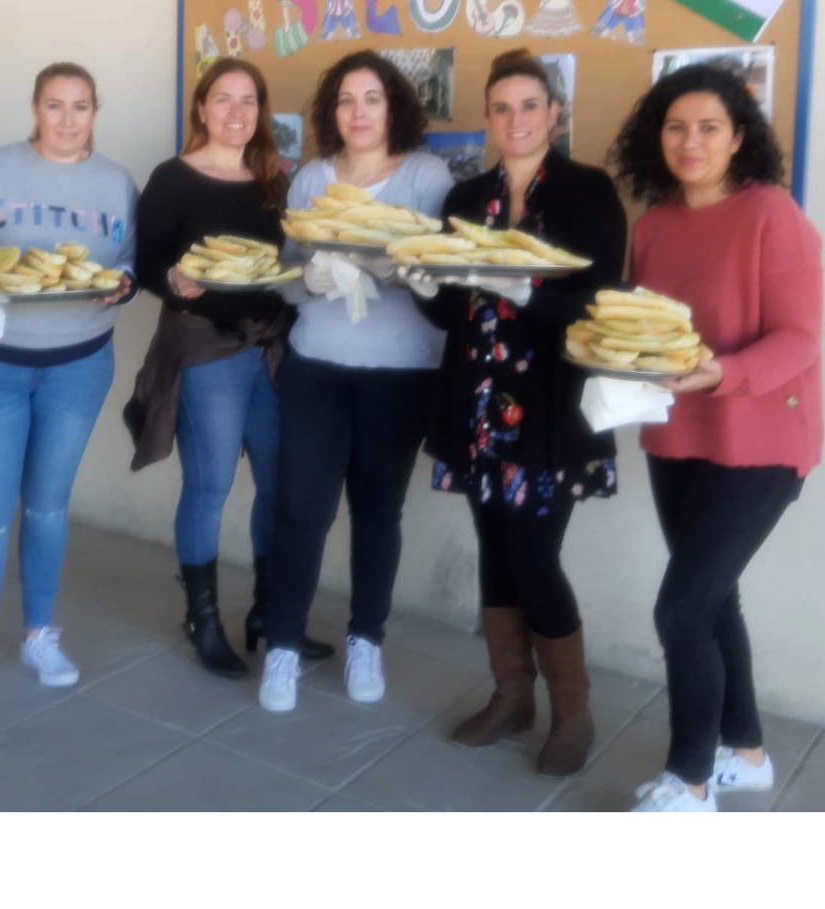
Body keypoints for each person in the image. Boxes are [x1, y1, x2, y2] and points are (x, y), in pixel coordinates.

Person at [611, 63, 822, 812]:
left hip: (763, 440)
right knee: (712, 599)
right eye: (675, 127)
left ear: (738, 138)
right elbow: (642, 329)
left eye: (708, 127)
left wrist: (722, 374)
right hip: (678, 437)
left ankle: (690, 781)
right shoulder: (654, 225)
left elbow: (801, 337)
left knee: (681, 609)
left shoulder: (771, 214)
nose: (690, 141)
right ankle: (748, 752)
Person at [414, 49, 627, 775]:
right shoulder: (465, 197)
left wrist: (525, 290)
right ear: (487, 117)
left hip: (549, 408)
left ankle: (573, 711)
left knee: (534, 555)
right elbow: (451, 311)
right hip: (476, 399)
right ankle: (511, 698)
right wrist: (421, 284)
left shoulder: (586, 191)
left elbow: (600, 300)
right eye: (502, 108)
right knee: (495, 553)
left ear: (554, 113)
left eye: (530, 105)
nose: (516, 120)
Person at [0, 62, 137, 708]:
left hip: (79, 364)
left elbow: (129, 260)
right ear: (35, 108)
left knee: (48, 505)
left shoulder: (115, 181)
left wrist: (124, 284)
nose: (67, 119)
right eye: (54, 105)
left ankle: (38, 634)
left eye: (80, 106)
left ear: (95, 112)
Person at [257, 49, 453, 713]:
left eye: (372, 98)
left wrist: (417, 276)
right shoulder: (310, 179)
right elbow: (286, 280)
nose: (358, 112)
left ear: (393, 106)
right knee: (300, 510)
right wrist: (306, 281)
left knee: (376, 512)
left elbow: (445, 271)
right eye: (345, 99)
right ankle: (283, 643)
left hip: (401, 373)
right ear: (331, 111)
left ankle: (366, 637)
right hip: (316, 365)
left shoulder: (426, 176)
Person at [125, 57, 332, 678]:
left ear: (260, 112)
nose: (236, 112)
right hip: (206, 346)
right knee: (210, 485)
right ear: (201, 108)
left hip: (271, 346)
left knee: (277, 484)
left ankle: (269, 613)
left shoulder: (275, 182)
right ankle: (204, 619)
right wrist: (173, 280)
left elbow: (286, 261)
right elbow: (148, 262)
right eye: (223, 98)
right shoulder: (172, 178)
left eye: (248, 101)